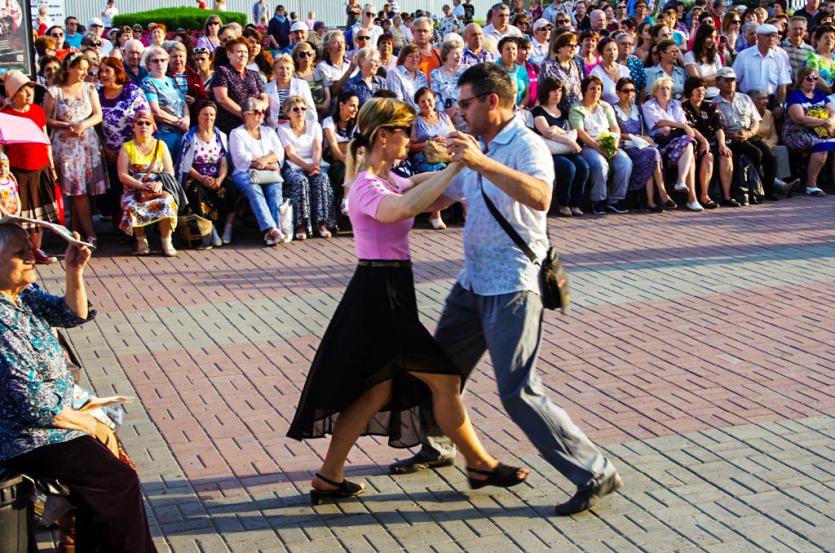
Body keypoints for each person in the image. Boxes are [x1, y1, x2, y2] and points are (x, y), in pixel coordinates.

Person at [389, 64, 622, 516]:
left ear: (491, 102)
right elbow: (442, 191)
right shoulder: (483, 146)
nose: (459, 112)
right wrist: (385, 186)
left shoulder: (524, 146)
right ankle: (438, 444)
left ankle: (593, 470)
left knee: (518, 390)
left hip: (512, 285)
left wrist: (481, 162)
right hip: (472, 281)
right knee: (438, 370)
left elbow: (540, 196)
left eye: (466, 103)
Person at [287, 94, 528, 504]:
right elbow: (404, 207)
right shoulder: (364, 185)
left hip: (390, 290)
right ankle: (479, 464)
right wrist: (456, 164)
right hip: (379, 295)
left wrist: (468, 164)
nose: (410, 141)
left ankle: (329, 476)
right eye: (405, 134)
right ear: (384, 137)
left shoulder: (389, 178)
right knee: (446, 379)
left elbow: (431, 192)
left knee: (375, 392)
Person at [0, 223, 158, 553]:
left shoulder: (22, 295)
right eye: (20, 253)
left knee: (110, 471)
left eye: (30, 248)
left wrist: (75, 271)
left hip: (53, 416)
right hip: (25, 434)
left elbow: (72, 314)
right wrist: (88, 421)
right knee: (116, 482)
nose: (32, 257)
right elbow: (34, 405)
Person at [45, 53, 108, 248]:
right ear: (69, 68)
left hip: (87, 145)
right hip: (67, 148)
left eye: (86, 68)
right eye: (80, 68)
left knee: (84, 192)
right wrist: (67, 126)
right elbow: (45, 119)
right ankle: (90, 234)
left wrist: (83, 124)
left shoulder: (89, 88)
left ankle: (76, 231)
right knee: (78, 191)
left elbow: (98, 114)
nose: (84, 72)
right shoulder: (55, 91)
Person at [0, 71, 61, 264]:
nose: (29, 95)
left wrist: (51, 166)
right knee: (21, 215)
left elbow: (45, 140)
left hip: (40, 168)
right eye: (23, 91)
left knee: (38, 215)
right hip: (17, 172)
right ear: (13, 94)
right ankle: (22, 251)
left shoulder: (37, 111)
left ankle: (37, 249)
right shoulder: (4, 115)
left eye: (30, 90)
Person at [98, 57, 151, 233]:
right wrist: (106, 149)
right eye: (101, 71)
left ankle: (136, 231)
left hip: (131, 151)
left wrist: (129, 149)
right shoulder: (98, 94)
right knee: (113, 191)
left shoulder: (132, 92)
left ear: (118, 72)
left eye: (108, 71)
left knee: (131, 189)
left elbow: (146, 121)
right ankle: (118, 227)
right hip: (109, 152)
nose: (103, 75)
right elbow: (96, 126)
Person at [117, 110, 178, 256]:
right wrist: (141, 186)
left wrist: (159, 185)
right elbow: (122, 175)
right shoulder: (127, 147)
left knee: (167, 200)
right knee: (132, 204)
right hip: (135, 188)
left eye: (147, 123)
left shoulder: (161, 145)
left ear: (153, 127)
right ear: (133, 126)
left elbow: (170, 171)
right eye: (140, 123)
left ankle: (166, 241)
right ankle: (141, 241)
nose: (144, 126)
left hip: (157, 187)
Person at [713, 66, 779, 201]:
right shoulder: (714, 103)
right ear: (718, 82)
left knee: (770, 157)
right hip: (730, 138)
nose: (731, 83)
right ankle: (753, 187)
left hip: (748, 134)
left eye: (733, 80)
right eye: (727, 80)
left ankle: (768, 190)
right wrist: (732, 136)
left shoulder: (745, 98)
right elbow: (716, 127)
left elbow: (756, 121)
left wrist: (748, 133)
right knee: (755, 153)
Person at [569, 75, 632, 214]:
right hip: (588, 145)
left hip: (609, 142)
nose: (595, 92)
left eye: (598, 89)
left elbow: (615, 127)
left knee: (625, 162)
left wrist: (614, 144)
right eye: (592, 88)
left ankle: (615, 200)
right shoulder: (576, 108)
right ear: (584, 90)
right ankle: (598, 200)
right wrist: (598, 148)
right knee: (599, 164)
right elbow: (580, 132)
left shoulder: (605, 106)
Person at [230, 98, 288, 246]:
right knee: (254, 190)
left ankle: (271, 233)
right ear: (246, 114)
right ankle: (272, 228)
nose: (261, 115)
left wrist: (266, 159)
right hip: (244, 172)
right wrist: (267, 164)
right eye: (257, 112)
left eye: (263, 112)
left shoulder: (268, 131)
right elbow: (241, 158)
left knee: (275, 188)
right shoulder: (236, 133)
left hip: (268, 172)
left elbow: (278, 152)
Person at [276, 96, 335, 240]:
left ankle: (322, 224)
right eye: (295, 109)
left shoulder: (314, 125)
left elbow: (317, 147)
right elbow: (290, 153)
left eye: (303, 108)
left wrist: (314, 165)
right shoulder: (282, 129)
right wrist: (306, 166)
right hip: (294, 166)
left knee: (322, 178)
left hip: (314, 163)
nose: (300, 112)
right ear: (287, 113)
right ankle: (301, 225)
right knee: (300, 181)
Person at [177, 101, 236, 246]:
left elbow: (223, 159)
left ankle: (228, 227)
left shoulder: (221, 136)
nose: (208, 117)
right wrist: (202, 178)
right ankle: (212, 229)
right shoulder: (189, 137)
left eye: (212, 115)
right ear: (198, 116)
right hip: (197, 175)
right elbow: (186, 165)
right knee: (197, 191)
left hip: (217, 174)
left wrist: (221, 178)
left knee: (231, 188)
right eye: (205, 114)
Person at [612, 77, 674, 212]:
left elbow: (645, 129)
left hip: (641, 145)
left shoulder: (638, 109)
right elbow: (614, 132)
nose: (629, 94)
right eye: (625, 91)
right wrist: (636, 137)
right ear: (618, 92)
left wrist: (647, 137)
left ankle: (652, 200)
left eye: (632, 91)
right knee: (651, 154)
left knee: (652, 153)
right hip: (626, 145)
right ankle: (660, 195)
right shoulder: (613, 109)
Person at [642, 76, 703, 211]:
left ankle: (682, 184)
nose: (665, 91)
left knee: (689, 145)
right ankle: (690, 197)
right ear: (655, 91)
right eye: (662, 88)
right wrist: (676, 125)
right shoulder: (649, 105)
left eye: (668, 88)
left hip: (677, 139)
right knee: (689, 145)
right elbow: (659, 123)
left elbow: (681, 122)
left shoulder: (676, 104)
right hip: (660, 141)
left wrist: (674, 126)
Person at [531, 77, 589, 216]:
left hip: (566, 150)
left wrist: (556, 129)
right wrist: (568, 140)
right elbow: (546, 131)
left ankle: (575, 204)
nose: (557, 94)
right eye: (553, 90)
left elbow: (566, 131)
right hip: (550, 152)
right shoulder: (538, 111)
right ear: (546, 92)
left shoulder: (563, 112)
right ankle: (563, 203)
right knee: (568, 168)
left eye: (559, 90)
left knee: (583, 166)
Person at [681, 76, 737, 207]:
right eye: (697, 90)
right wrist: (704, 141)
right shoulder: (684, 108)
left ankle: (727, 196)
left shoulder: (711, 105)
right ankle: (704, 196)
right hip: (695, 143)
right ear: (690, 92)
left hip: (713, 141)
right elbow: (691, 128)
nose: (701, 92)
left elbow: (718, 127)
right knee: (708, 156)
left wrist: (722, 144)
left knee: (726, 155)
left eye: (703, 90)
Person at [408, 87, 456, 230]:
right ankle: (435, 215)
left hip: (446, 154)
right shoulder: (416, 121)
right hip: (425, 157)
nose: (427, 104)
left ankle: (467, 213)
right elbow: (410, 146)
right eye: (422, 102)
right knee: (438, 174)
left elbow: (454, 135)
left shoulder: (444, 117)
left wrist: (446, 141)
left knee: (464, 169)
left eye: (429, 100)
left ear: (434, 100)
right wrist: (429, 142)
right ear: (417, 104)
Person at [782, 67, 834, 196]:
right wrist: (823, 122)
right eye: (809, 78)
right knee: (822, 145)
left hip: (821, 131)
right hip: (797, 133)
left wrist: (830, 121)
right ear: (801, 80)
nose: (812, 81)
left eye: (815, 78)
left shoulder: (820, 95)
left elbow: (833, 111)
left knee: (829, 142)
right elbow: (799, 119)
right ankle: (811, 185)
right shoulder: (795, 96)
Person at [211, 37, 268, 135]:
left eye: (245, 52)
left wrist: (259, 111)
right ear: (229, 54)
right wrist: (244, 114)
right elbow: (222, 98)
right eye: (239, 52)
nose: (243, 55)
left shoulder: (254, 74)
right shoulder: (222, 71)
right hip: (230, 125)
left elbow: (264, 96)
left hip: (254, 124)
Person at [141, 46, 189, 156]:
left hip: (180, 133)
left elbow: (183, 102)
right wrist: (179, 122)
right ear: (149, 65)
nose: (159, 63)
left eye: (163, 60)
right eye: (155, 61)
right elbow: (155, 112)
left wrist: (186, 118)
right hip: (163, 135)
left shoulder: (171, 81)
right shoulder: (148, 83)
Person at [732, 23, 791, 113]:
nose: (771, 39)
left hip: (770, 102)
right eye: (767, 35)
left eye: (773, 36)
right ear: (758, 37)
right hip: (747, 101)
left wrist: (780, 105)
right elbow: (735, 81)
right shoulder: (744, 55)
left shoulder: (779, 58)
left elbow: (782, 85)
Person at [323, 92, 359, 217]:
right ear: (341, 105)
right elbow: (333, 147)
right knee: (350, 166)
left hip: (355, 161)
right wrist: (348, 159)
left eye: (357, 106)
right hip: (335, 162)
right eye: (352, 106)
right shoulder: (329, 122)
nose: (356, 109)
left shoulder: (357, 123)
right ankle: (345, 200)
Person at [265, 54, 315, 126]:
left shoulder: (302, 84)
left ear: (292, 70)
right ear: (274, 70)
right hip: (275, 128)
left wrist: (311, 127)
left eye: (288, 68)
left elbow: (310, 109)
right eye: (281, 68)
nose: (285, 71)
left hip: (298, 126)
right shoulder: (267, 87)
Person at [431, 35, 466, 127]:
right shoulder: (435, 73)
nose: (459, 56)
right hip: (445, 122)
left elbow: (469, 92)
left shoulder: (467, 70)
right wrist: (445, 118)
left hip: (466, 119)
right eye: (456, 53)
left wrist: (455, 107)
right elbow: (436, 97)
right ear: (446, 54)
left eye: (461, 53)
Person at [540, 31, 584, 105]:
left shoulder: (575, 64)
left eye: (575, 46)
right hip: (558, 109)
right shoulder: (547, 66)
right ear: (559, 48)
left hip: (577, 108)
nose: (573, 48)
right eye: (570, 45)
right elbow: (542, 91)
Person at [684, 24, 724, 98]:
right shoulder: (689, 56)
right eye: (710, 37)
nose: (713, 40)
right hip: (702, 96)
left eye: (715, 38)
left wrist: (703, 79)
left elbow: (721, 78)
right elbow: (696, 82)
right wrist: (714, 79)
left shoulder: (715, 56)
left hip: (718, 95)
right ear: (702, 37)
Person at [591, 38, 631, 104]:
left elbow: (631, 93)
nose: (612, 52)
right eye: (608, 50)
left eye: (615, 49)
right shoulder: (596, 73)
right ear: (601, 53)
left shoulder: (625, 70)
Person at [316, 30, 354, 99]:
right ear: (327, 48)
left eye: (342, 42)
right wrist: (349, 72)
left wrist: (339, 82)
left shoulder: (350, 64)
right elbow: (333, 91)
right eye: (335, 42)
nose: (340, 45)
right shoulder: (322, 67)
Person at [495, 36, 530, 107]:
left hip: (518, 110)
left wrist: (519, 108)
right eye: (507, 49)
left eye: (514, 49)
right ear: (501, 51)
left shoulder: (522, 70)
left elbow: (527, 95)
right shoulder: (494, 68)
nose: (511, 51)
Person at [804, 25, 835, 93]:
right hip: (818, 95)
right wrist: (829, 89)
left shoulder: (834, 57)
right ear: (817, 40)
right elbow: (815, 77)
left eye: (832, 38)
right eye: (826, 37)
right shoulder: (812, 56)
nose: (830, 40)